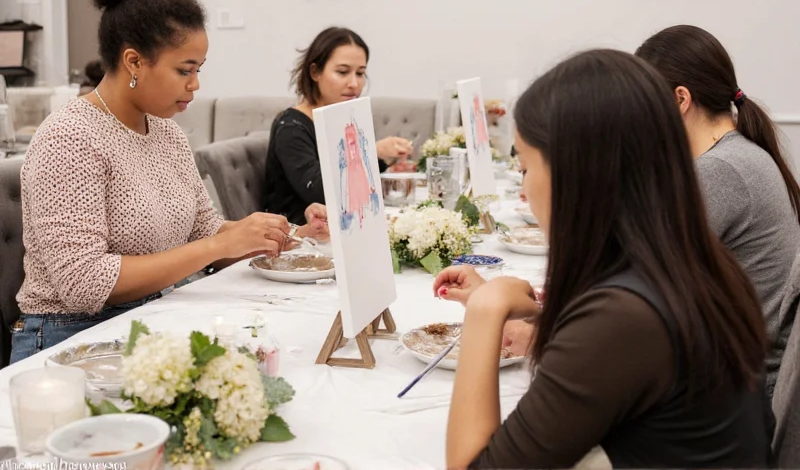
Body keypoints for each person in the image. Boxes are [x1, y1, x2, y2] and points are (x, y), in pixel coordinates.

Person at [433, 50, 772, 468]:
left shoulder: (624, 315)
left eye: (525, 168)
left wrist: (486, 310)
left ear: (577, 175)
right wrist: (547, 320)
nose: (524, 189)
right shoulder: (690, 261)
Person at [11, 0, 325, 364]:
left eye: (199, 70)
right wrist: (216, 247)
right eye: (185, 70)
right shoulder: (70, 138)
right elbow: (84, 283)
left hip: (153, 318)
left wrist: (279, 236)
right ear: (134, 61)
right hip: (72, 341)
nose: (195, 85)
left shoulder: (167, 133)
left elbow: (203, 232)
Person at [636, 24, 800, 396]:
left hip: (740, 386)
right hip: (743, 368)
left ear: (680, 99)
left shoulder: (719, 170)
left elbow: (646, 281)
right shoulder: (738, 151)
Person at [263, 27, 413, 225]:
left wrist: (385, 159)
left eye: (360, 73)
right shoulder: (291, 127)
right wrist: (371, 152)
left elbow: (358, 189)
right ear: (315, 72)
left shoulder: (343, 119)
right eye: (342, 72)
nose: (354, 83)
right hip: (300, 236)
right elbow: (321, 192)